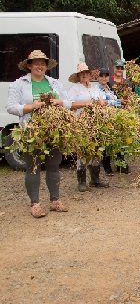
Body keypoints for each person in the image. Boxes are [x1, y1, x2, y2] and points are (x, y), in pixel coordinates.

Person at [6, 50, 72, 217]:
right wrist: (31, 106)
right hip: (31, 131)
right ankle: (35, 204)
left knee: (54, 165)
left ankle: (55, 201)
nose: (40, 66)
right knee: (33, 167)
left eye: (42, 63)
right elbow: (11, 107)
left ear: (46, 66)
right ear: (29, 65)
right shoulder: (19, 84)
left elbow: (67, 102)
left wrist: (60, 102)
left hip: (53, 130)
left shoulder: (54, 83)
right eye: (36, 63)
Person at [67, 63, 109, 191]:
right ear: (79, 76)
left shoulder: (95, 88)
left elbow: (103, 100)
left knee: (97, 150)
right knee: (83, 150)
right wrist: (85, 104)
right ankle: (82, 181)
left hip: (95, 123)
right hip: (81, 123)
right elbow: (69, 105)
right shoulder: (75, 88)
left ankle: (95, 179)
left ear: (91, 75)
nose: (84, 75)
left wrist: (102, 102)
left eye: (86, 73)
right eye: (82, 73)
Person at [97, 67, 126, 175]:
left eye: (106, 76)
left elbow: (113, 99)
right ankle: (106, 166)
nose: (104, 78)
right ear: (98, 77)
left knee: (118, 140)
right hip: (105, 117)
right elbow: (104, 102)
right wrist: (119, 102)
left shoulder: (109, 88)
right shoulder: (97, 89)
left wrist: (121, 101)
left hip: (115, 117)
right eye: (102, 76)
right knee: (107, 142)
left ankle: (120, 164)